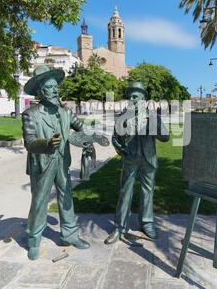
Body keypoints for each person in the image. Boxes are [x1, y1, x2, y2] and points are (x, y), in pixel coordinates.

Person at [22, 65, 90, 260]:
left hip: (62, 162)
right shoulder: (30, 114)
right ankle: (34, 240)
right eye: (50, 87)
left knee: (66, 197)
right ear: (40, 91)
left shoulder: (66, 112)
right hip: (42, 163)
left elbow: (80, 129)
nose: (55, 90)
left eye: (56, 86)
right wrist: (47, 143)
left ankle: (70, 235)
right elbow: (29, 143)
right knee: (39, 201)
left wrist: (84, 141)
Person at [104, 81, 170, 245]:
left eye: (135, 96)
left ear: (143, 99)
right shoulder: (123, 117)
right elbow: (115, 138)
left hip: (148, 159)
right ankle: (120, 227)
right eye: (130, 96)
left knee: (147, 192)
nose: (131, 98)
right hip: (130, 159)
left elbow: (165, 137)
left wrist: (156, 125)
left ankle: (147, 224)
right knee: (125, 192)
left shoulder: (153, 116)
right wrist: (122, 150)